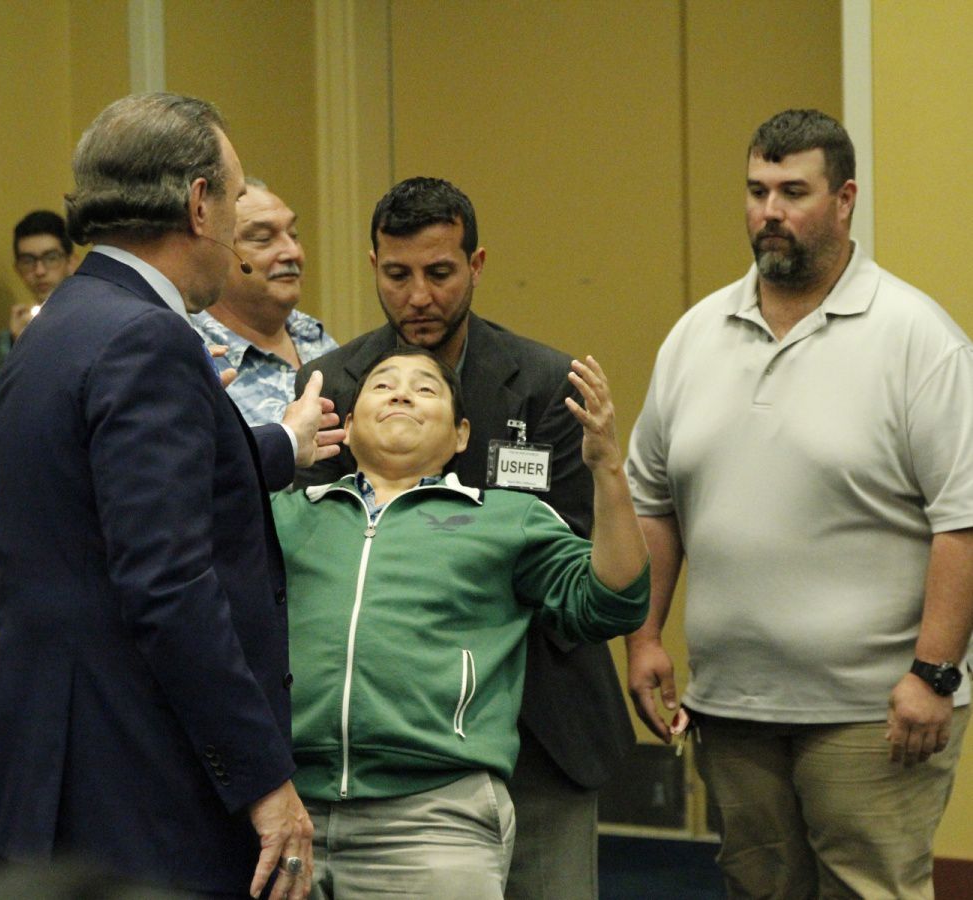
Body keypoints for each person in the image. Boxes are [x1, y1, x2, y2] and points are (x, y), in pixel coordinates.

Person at [0, 92, 344, 899]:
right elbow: (169, 583)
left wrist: (277, 446)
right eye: (238, 197)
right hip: (149, 787)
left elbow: (108, 496)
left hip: (59, 769)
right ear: (199, 203)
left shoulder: (55, 328)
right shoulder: (148, 338)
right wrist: (261, 778)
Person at [625, 108, 973, 899]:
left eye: (793, 192)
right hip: (732, 705)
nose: (770, 212)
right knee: (757, 888)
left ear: (845, 200)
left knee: (866, 890)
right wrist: (642, 637)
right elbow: (652, 504)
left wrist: (933, 673)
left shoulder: (918, 340)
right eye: (757, 192)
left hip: (872, 710)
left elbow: (963, 521)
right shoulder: (696, 335)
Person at [294, 177, 633, 898]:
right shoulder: (332, 384)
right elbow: (317, 546)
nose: (419, 296)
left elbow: (577, 559)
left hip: (540, 713)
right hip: (385, 731)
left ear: (476, 265)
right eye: (397, 275)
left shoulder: (545, 382)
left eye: (440, 273)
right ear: (373, 265)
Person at [193, 178, 338, 425]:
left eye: (293, 235)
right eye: (263, 238)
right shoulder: (195, 357)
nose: (292, 252)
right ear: (213, 249)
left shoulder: (314, 336)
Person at [0, 210, 78, 369]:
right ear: (17, 269)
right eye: (28, 261)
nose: (39, 271)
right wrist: (19, 344)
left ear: (71, 262)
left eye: (51, 258)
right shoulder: (10, 338)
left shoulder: (96, 321)